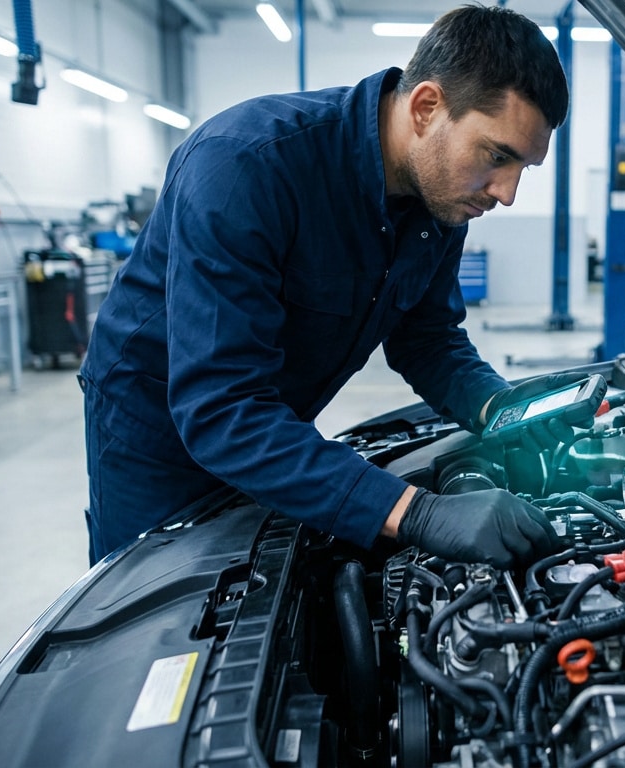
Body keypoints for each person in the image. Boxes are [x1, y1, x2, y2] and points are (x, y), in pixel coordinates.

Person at [79, 5, 578, 568]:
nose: (507, 192)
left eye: (523, 169)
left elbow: (428, 339)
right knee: (156, 608)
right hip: (156, 434)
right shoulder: (246, 166)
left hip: (271, 422)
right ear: (426, 107)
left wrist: (502, 407)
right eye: (497, 156)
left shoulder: (441, 197)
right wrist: (416, 512)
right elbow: (222, 406)